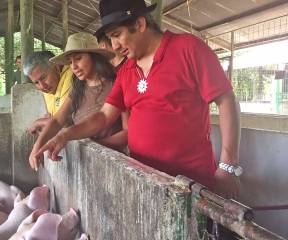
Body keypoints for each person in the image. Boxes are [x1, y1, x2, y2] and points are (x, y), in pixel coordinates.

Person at [34, 0, 241, 199]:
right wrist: (65, 135)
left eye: (117, 35)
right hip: (144, 179)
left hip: (190, 183)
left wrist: (227, 166)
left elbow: (227, 101)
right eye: (110, 38)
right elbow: (104, 116)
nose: (114, 46)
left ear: (140, 24)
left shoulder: (188, 48)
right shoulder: (126, 71)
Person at [28, 32, 128, 171]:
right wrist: (36, 147)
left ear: (95, 57)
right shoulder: (78, 89)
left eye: (79, 58)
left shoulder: (117, 84)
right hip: (88, 164)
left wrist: (96, 146)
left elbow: (127, 133)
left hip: (114, 165)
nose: (73, 66)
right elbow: (57, 121)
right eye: (70, 62)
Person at [23, 51, 74, 134]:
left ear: (57, 67)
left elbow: (64, 122)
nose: (42, 86)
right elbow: (55, 120)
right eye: (36, 82)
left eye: (43, 78)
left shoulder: (71, 74)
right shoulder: (50, 86)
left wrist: (40, 122)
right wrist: (50, 120)